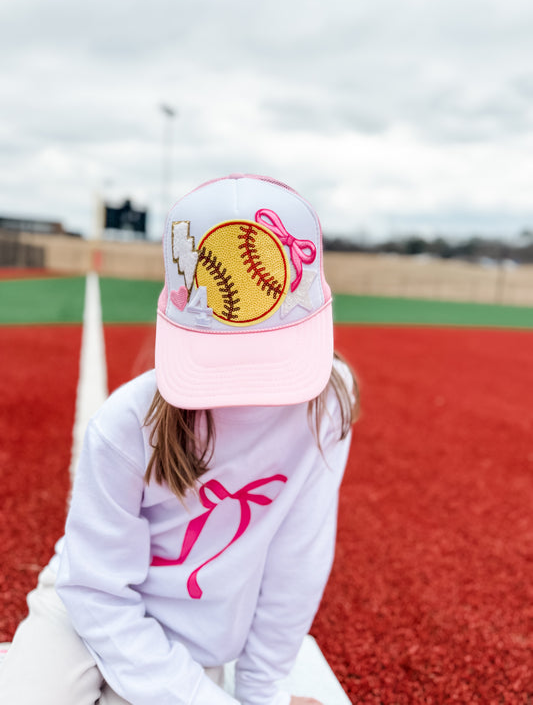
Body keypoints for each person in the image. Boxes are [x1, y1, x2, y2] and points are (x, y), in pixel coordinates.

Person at [0, 174, 357, 705]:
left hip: (194, 635)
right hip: (89, 607)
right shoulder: (126, 425)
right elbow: (98, 591)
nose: (247, 388)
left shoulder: (326, 406)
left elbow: (297, 558)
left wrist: (263, 693)